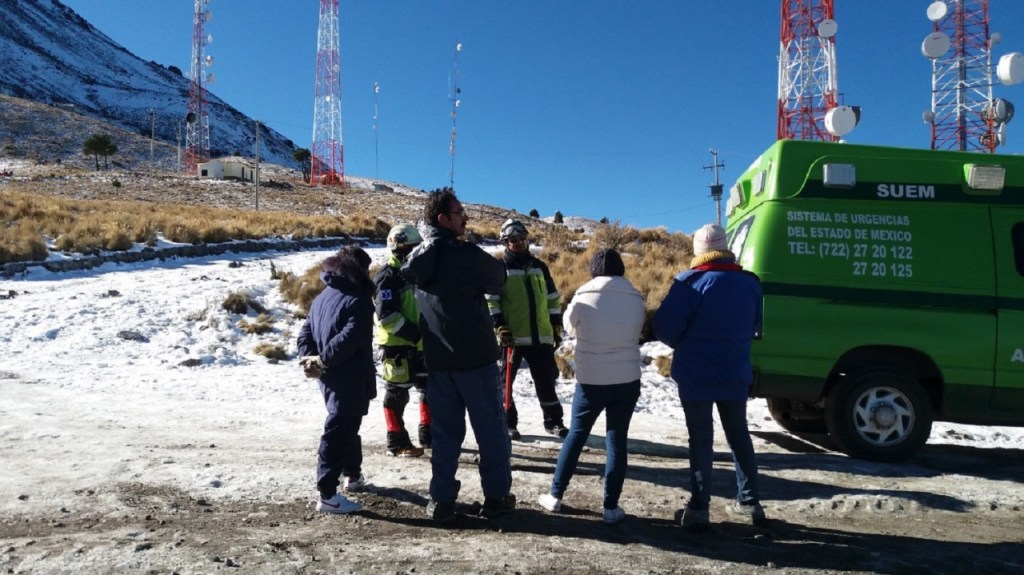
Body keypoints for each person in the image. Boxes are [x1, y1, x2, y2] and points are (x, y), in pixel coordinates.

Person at [400, 187, 516, 523]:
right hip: (476, 361)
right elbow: (499, 279)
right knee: (491, 432)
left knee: (445, 435)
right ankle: (496, 497)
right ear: (443, 219)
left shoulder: (418, 259)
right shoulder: (464, 254)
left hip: (439, 364)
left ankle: (442, 500)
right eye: (459, 212)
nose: (465, 217)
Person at [652, 223, 767, 531]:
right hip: (734, 371)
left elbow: (664, 327)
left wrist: (685, 342)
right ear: (724, 247)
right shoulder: (750, 283)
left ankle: (699, 509)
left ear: (699, 251)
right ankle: (750, 503)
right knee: (739, 435)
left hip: (696, 374)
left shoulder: (690, 282)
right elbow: (756, 324)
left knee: (701, 439)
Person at [536, 248, 645, 524]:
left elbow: (569, 327)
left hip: (591, 380)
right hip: (627, 378)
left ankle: (555, 495)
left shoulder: (583, 295)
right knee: (617, 441)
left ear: (593, 270)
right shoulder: (636, 297)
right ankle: (611, 507)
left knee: (576, 435)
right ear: (621, 269)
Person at [296, 245, 377, 515]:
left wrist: (311, 358)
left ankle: (352, 474)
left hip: (330, 375)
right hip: (348, 375)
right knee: (339, 430)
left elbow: (306, 331)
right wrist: (322, 360)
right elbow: (350, 338)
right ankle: (327, 494)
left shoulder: (324, 295)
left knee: (348, 425)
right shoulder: (359, 299)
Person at [487, 218, 567, 440]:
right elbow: (491, 301)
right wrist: (499, 326)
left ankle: (554, 422)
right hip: (512, 338)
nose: (519, 242)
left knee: (546, 381)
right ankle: (508, 423)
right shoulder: (500, 268)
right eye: (513, 239)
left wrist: (556, 325)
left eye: (522, 238)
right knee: (505, 384)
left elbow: (552, 299)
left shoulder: (540, 267)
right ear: (506, 242)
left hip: (541, 337)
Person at [373, 223, 430, 458]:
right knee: (396, 396)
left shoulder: (417, 273)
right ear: (400, 248)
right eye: (413, 248)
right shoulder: (387, 276)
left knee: (430, 390)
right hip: (397, 346)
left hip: (421, 344)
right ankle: (396, 442)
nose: (418, 253)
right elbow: (386, 316)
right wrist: (415, 334)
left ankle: (429, 434)